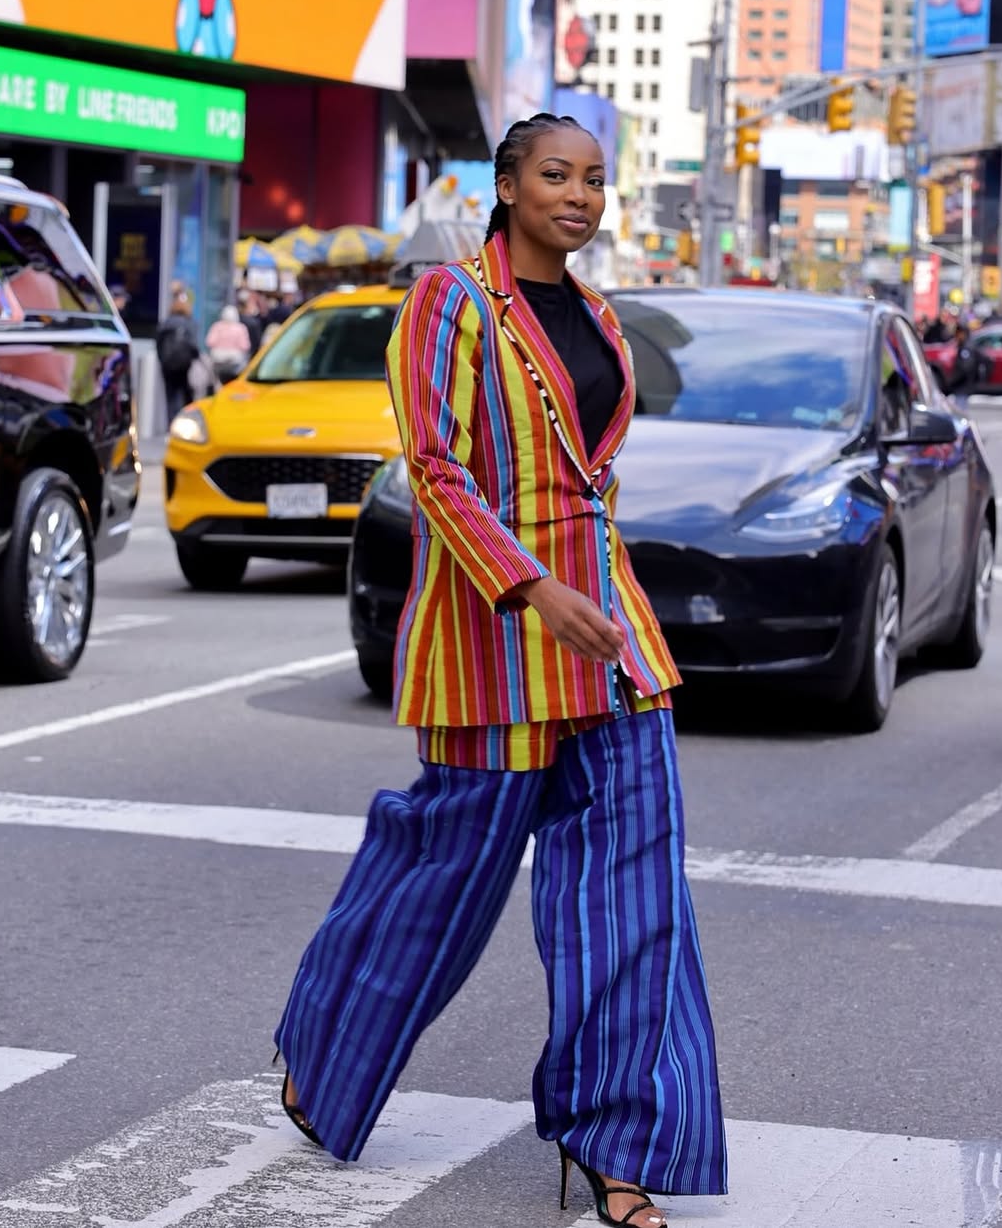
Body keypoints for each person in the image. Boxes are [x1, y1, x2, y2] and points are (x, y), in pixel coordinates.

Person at [273, 113, 727, 1227]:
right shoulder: (450, 302)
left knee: (636, 900)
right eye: (557, 174)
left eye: (596, 179)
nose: (580, 195)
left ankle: (622, 1146)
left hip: (614, 647)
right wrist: (531, 587)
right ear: (509, 183)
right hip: (496, 643)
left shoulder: (603, 317)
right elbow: (434, 468)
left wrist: (594, 594)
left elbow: (587, 476)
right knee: (445, 878)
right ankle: (324, 1054)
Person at [155, 285, 200, 421]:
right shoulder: (189, 323)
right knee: (186, 394)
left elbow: (158, 342)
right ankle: (184, 423)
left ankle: (171, 424)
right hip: (184, 364)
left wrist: (162, 359)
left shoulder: (166, 323)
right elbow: (194, 345)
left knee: (170, 396)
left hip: (168, 364)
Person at [204, 303, 251, 382]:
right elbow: (245, 346)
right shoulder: (241, 328)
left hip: (217, 360)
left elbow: (209, 342)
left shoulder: (217, 326)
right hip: (234, 362)